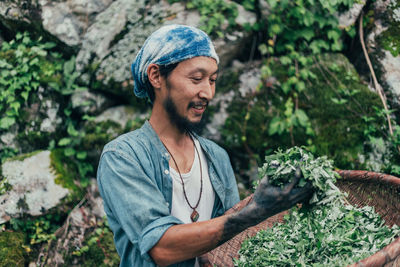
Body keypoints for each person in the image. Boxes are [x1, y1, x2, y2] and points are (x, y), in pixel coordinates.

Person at [96, 24, 312, 267]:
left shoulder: (216, 157)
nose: (208, 93)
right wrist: (251, 213)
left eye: (213, 80)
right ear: (156, 76)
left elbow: (235, 246)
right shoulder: (123, 156)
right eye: (196, 79)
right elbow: (161, 248)